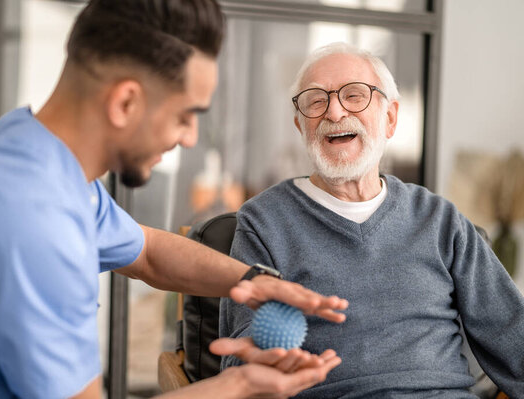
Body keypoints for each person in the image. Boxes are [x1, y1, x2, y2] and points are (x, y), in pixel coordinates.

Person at [0, 1, 351, 398]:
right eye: (185, 116)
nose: (190, 138)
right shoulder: (32, 222)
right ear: (126, 101)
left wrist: (254, 281)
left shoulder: (33, 153)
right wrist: (239, 385)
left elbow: (148, 253)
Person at [219, 42, 524, 398]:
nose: (334, 112)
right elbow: (242, 361)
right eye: (316, 101)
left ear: (390, 117)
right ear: (300, 125)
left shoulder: (441, 221)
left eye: (354, 95)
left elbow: (512, 337)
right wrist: (267, 358)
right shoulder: (264, 222)